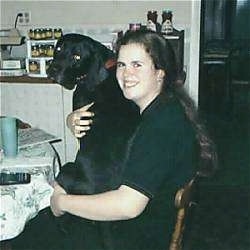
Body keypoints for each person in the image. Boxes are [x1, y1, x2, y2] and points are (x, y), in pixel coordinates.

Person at [49, 29, 217, 250]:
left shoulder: (160, 127)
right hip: (140, 225)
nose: (126, 74)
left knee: (33, 234)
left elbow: (128, 206)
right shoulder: (165, 108)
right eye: (121, 64)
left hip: (133, 236)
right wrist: (73, 120)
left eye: (137, 64)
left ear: (160, 72)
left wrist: (62, 202)